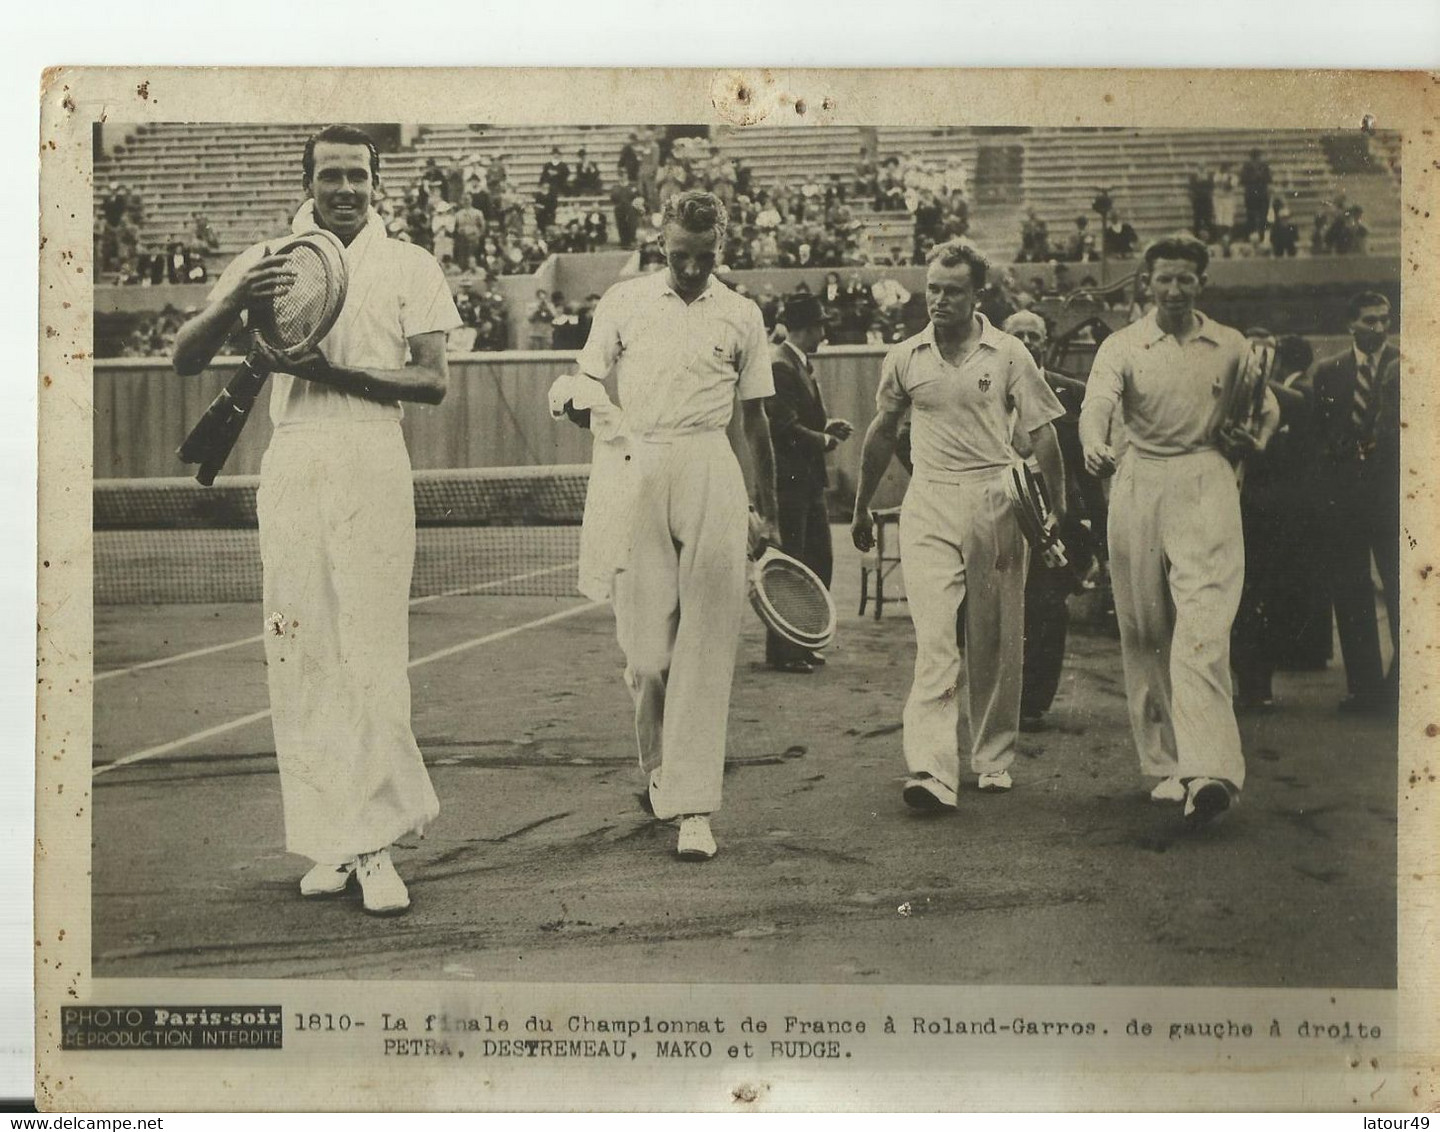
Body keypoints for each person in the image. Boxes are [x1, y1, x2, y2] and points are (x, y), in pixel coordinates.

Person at [171, 125, 460, 915]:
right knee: (298, 652)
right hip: (293, 457)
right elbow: (184, 357)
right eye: (329, 175)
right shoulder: (268, 259)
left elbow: (432, 383)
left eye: (357, 176)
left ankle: (376, 847)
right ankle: (335, 839)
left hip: (372, 454)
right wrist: (235, 297)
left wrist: (333, 373)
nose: (344, 189)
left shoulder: (410, 264)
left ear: (377, 183)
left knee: (370, 648)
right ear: (308, 180)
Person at [567, 189, 779, 861]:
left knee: (707, 647)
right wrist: (577, 404)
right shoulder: (623, 303)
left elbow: (756, 423)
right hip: (637, 465)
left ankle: (693, 808)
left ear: (723, 247)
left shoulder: (743, 314)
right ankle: (660, 765)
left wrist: (762, 506)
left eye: (705, 257)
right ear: (662, 245)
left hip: (711, 465)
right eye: (681, 256)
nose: (692, 269)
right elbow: (585, 376)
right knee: (648, 658)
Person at [851, 240, 1067, 811]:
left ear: (978, 295)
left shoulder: (1009, 353)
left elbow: (1044, 433)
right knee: (936, 639)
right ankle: (931, 769)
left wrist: (1057, 509)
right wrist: (859, 506)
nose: (939, 301)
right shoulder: (904, 356)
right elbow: (879, 434)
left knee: (995, 636)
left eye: (952, 291)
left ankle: (992, 756)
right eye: (933, 289)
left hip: (996, 497)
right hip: (930, 499)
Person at [1079, 234, 1276, 826]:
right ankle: (1165, 764)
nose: (1172, 289)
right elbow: (1098, 403)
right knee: (1146, 629)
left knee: (1202, 627)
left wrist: (1255, 442)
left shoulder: (1230, 344)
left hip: (1206, 479)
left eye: (1183, 279)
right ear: (1147, 282)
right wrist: (1093, 443)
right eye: (1162, 278)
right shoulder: (1124, 344)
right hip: (1140, 481)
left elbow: (1263, 408)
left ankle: (1211, 769)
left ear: (1201, 283)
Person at [1001, 311, 1101, 732]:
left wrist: (1094, 524)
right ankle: (1000, 694)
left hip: (1055, 509)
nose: (1026, 340)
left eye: (1033, 334)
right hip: (1000, 503)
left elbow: (1086, 465)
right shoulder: (985, 388)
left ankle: (1034, 699)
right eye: (1017, 334)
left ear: (1046, 340)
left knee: (1046, 604)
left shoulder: (1072, 392)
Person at [1304, 292, 1400, 713]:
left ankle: (1403, 685)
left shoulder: (1407, 364)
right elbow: (1318, 434)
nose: (1378, 328)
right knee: (1352, 592)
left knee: (1402, 589)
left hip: (1393, 498)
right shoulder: (1328, 372)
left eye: (1384, 320)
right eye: (1369, 321)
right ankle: (1364, 689)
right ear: (1351, 325)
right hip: (1344, 501)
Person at [764, 293, 853, 673]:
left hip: (806, 482)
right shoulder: (781, 366)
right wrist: (823, 440)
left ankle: (800, 641)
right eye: (819, 325)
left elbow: (798, 419)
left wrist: (823, 429)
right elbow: (783, 427)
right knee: (794, 564)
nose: (823, 331)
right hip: (791, 484)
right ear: (805, 328)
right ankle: (785, 650)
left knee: (816, 561)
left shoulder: (796, 363)